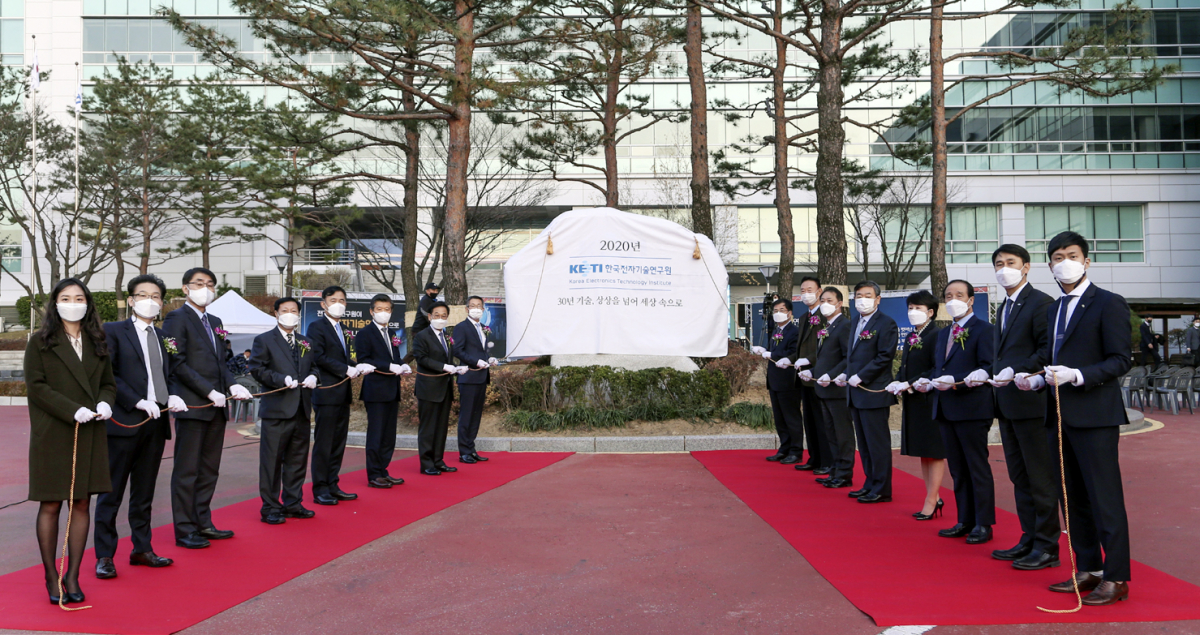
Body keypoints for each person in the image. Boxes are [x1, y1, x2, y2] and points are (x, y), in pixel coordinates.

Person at [1016, 230, 1133, 606]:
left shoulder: (1108, 303)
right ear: (1049, 265)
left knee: (1104, 498)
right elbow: (1049, 356)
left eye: (1071, 255)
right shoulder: (1052, 309)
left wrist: (1078, 375)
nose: (1063, 261)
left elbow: (1121, 359)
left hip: (1095, 415)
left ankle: (1116, 577)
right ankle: (1088, 568)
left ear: (1086, 260)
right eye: (1057, 257)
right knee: (1073, 498)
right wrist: (1035, 378)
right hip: (1059, 414)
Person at [25, 278, 117, 604]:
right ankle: (51, 575)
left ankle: (73, 575)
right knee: (50, 503)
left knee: (81, 502)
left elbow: (108, 383)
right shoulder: (40, 341)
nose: (73, 302)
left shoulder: (97, 341)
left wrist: (106, 401)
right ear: (55, 302)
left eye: (79, 297)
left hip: (90, 430)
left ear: (88, 303)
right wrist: (71, 409)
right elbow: (36, 387)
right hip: (54, 431)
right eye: (66, 297)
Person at [94, 274, 181, 581]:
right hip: (124, 423)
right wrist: (136, 401)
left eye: (155, 295)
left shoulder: (162, 336)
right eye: (142, 294)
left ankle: (141, 548)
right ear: (131, 300)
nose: (149, 300)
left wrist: (172, 395)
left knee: (144, 493)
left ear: (162, 302)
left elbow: (165, 374)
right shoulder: (114, 331)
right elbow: (109, 375)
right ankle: (104, 555)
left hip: (155, 425)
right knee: (112, 493)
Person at [162, 267, 253, 549]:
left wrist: (231, 384)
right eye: (199, 283)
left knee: (209, 468)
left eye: (210, 284)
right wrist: (208, 390)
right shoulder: (176, 318)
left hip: (216, 406)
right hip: (192, 404)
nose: (205, 288)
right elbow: (176, 362)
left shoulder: (215, 320)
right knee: (187, 469)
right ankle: (185, 528)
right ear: (185, 288)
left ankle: (203, 521)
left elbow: (221, 360)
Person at [987, 245, 1060, 571]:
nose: (1005, 269)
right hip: (1008, 404)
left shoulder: (1040, 303)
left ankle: (1047, 546)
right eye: (999, 264)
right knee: (1019, 476)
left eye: (1011, 263)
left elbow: (1048, 349)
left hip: (1032, 403)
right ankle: (1029, 537)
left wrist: (1019, 370)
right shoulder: (1003, 306)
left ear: (1026, 267)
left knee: (1040, 477)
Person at [917, 279, 995, 545]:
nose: (953, 299)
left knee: (976, 467)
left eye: (959, 295)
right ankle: (965, 519)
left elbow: (987, 367)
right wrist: (923, 380)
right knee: (958, 469)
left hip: (972, 407)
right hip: (946, 407)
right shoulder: (943, 333)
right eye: (948, 295)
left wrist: (956, 379)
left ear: (971, 299)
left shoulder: (984, 330)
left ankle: (983, 523)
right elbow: (938, 369)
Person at [249, 297, 318, 525]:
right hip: (277, 410)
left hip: (301, 409)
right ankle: (270, 506)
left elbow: (315, 366)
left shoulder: (305, 341)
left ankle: (293, 503)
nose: (290, 314)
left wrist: (313, 376)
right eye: (285, 310)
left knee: (297, 460)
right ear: (276, 313)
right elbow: (257, 369)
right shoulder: (264, 340)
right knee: (271, 461)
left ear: (299, 314)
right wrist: (280, 379)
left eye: (294, 310)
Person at [887, 290, 946, 520]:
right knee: (923, 452)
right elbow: (907, 365)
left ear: (930, 312)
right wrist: (900, 381)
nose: (913, 312)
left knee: (935, 451)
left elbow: (936, 367)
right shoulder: (913, 335)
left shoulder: (936, 335)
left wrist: (911, 382)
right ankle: (934, 495)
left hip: (929, 398)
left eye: (918, 308)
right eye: (910, 307)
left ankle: (931, 500)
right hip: (914, 399)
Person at [842, 281, 898, 504]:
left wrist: (862, 376)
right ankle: (869, 482)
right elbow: (853, 356)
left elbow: (885, 356)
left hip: (873, 391)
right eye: (858, 295)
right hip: (855, 392)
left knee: (877, 443)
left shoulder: (886, 324)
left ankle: (882, 488)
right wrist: (846, 374)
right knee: (864, 443)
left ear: (878, 299)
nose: (862, 299)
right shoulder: (855, 321)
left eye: (867, 295)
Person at [306, 286, 362, 505]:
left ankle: (332, 484)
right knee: (324, 442)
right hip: (327, 392)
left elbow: (343, 357)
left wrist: (357, 366)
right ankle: (320, 489)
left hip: (342, 392)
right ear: (323, 304)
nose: (338, 303)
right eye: (333, 300)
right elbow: (318, 356)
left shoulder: (344, 328)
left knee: (339, 441)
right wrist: (344, 369)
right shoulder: (316, 327)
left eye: (342, 300)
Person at [355, 294, 412, 488]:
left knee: (389, 435)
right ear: (372, 311)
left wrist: (402, 365)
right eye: (379, 309)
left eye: (387, 309)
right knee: (376, 433)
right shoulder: (365, 333)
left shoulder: (392, 334)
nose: (383, 313)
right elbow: (363, 359)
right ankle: (374, 474)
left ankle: (383, 470)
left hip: (392, 389)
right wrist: (388, 365)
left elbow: (396, 357)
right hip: (375, 390)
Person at [800, 287, 853, 489]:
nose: (825, 304)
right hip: (823, 388)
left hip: (837, 389)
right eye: (822, 301)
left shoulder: (844, 326)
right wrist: (812, 371)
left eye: (829, 300)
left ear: (839, 303)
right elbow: (825, 359)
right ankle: (835, 470)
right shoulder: (827, 327)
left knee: (842, 434)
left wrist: (830, 375)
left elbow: (847, 357)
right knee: (830, 433)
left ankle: (845, 473)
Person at [413, 302, 467, 475]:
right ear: (429, 317)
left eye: (444, 315)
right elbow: (422, 358)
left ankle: (438, 460)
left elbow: (448, 359)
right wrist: (444, 367)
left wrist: (457, 368)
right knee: (428, 428)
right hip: (428, 389)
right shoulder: (422, 336)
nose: (440, 318)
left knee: (441, 427)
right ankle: (427, 463)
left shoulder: (446, 336)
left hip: (445, 388)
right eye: (437, 315)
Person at [754, 298, 803, 464]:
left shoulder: (794, 331)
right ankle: (785, 448)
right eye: (775, 311)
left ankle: (796, 450)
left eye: (781, 310)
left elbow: (792, 353)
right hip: (775, 380)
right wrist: (765, 351)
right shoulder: (776, 331)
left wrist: (772, 355)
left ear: (789, 313)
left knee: (791, 417)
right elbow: (774, 350)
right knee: (780, 418)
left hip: (788, 381)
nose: (778, 314)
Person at [452, 296, 499, 464]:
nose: (476, 308)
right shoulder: (461, 327)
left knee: (476, 415)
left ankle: (471, 449)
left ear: (484, 308)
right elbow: (457, 350)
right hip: (469, 376)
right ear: (467, 309)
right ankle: (464, 451)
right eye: (472, 306)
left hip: (482, 376)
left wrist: (489, 358)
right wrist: (475, 361)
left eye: (479, 306)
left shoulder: (484, 328)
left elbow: (482, 350)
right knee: (466, 415)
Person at [790, 276, 827, 472]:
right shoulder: (804, 317)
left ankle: (826, 460)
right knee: (810, 421)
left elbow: (826, 346)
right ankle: (814, 457)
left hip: (819, 375)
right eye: (803, 290)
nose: (806, 294)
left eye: (810, 290)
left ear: (819, 291)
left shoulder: (825, 315)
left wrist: (810, 360)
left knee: (821, 422)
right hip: (803, 377)